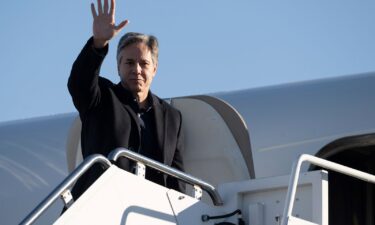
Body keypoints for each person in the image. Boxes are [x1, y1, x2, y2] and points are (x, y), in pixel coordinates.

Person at [68, 0, 185, 200]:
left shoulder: (171, 117)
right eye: (129, 62)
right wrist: (98, 43)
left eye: (144, 63)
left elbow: (176, 176)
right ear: (118, 66)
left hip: (149, 210)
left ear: (154, 69)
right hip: (102, 203)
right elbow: (79, 83)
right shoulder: (102, 97)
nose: (136, 70)